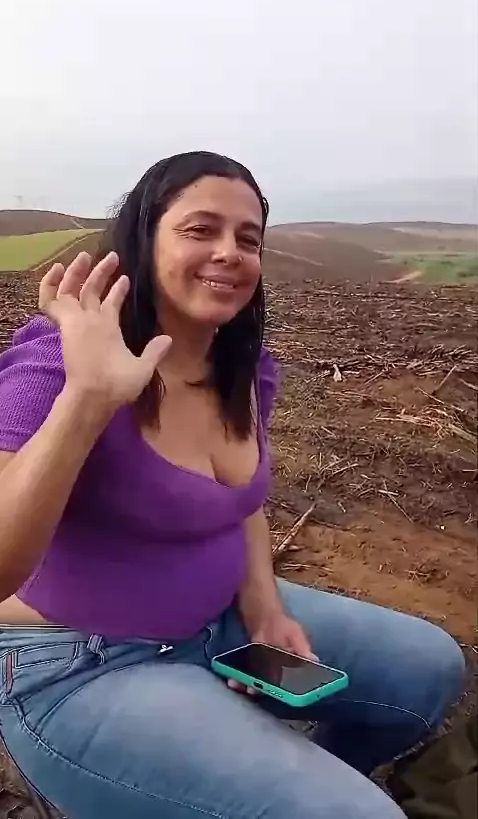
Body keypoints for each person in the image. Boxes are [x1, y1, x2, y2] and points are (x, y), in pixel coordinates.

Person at [0, 151, 465, 819]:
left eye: (248, 239)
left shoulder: (242, 368)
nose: (229, 252)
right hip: (83, 664)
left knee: (429, 669)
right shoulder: (57, 358)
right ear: (144, 239)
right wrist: (88, 398)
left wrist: (265, 607)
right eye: (201, 229)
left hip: (218, 625)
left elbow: (237, 505)